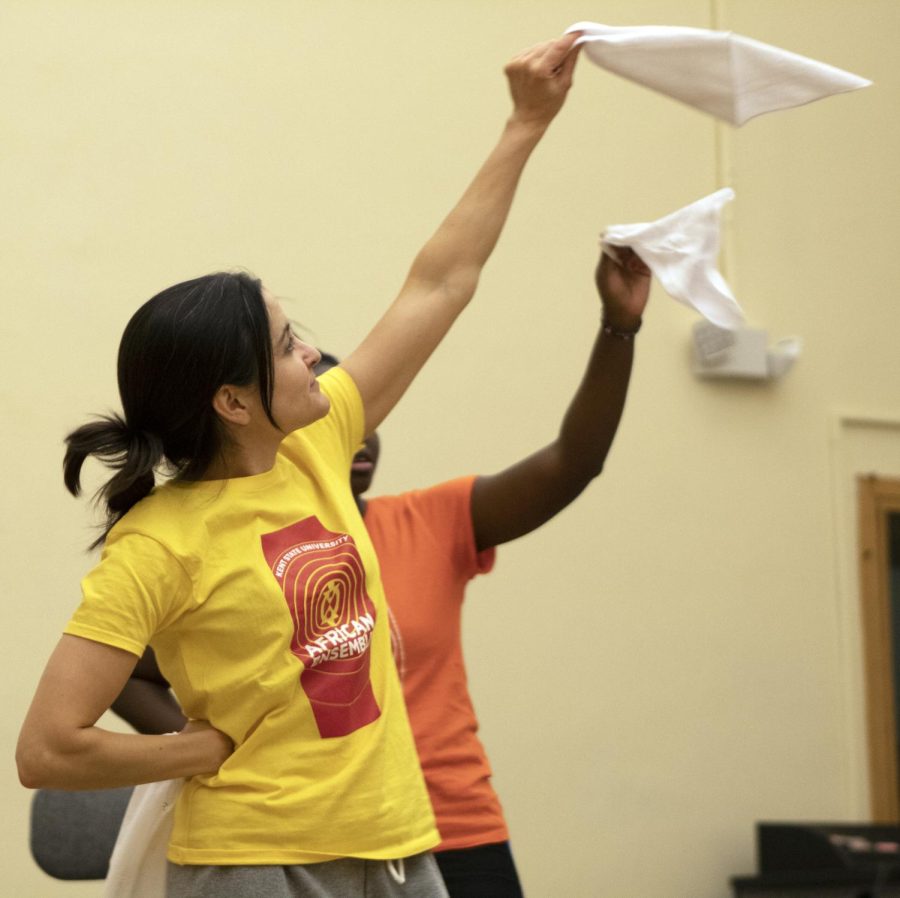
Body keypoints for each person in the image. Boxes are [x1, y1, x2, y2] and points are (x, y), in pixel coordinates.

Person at [16, 33, 580, 898]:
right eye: (288, 347)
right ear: (232, 403)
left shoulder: (317, 443)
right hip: (256, 865)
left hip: (396, 843)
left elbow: (441, 283)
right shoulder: (158, 545)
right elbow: (47, 748)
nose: (316, 355)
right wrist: (193, 749)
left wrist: (524, 125)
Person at [111, 246, 652, 897]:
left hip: (448, 820)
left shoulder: (430, 522)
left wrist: (619, 329)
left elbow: (572, 462)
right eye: (336, 412)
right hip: (309, 834)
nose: (360, 438)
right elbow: (119, 681)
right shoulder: (211, 544)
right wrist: (210, 750)